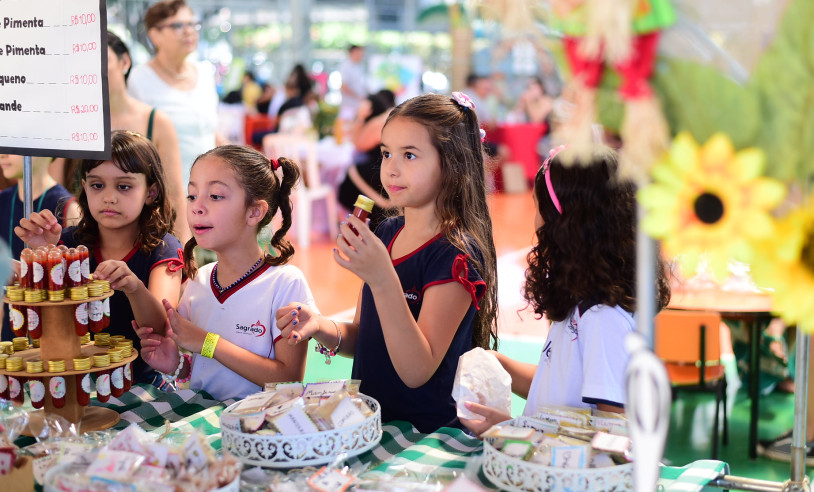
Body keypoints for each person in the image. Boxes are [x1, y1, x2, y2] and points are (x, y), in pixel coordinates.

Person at [276, 92, 499, 433]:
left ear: (451, 164)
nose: (390, 168)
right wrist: (319, 326)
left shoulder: (456, 255)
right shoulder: (388, 232)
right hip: (370, 424)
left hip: (426, 437)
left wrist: (382, 279)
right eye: (385, 153)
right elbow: (364, 336)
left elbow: (416, 370)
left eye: (409, 155)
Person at [458, 145, 671, 436]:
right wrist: (503, 365)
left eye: (537, 208)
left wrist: (514, 432)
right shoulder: (580, 299)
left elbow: (614, 437)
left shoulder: (601, 318)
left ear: (565, 225)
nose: (534, 222)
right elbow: (560, 390)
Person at [134, 145, 316, 401]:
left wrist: (209, 343)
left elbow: (288, 381)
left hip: (258, 427)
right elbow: (196, 371)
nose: (197, 207)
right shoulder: (198, 282)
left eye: (215, 196)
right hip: (203, 421)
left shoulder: (285, 283)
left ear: (254, 211)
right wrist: (174, 363)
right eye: (192, 195)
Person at [15, 131, 183, 384]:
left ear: (151, 192)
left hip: (141, 386)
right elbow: (46, 317)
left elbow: (160, 327)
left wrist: (134, 287)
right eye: (97, 185)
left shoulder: (163, 248)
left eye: (124, 186)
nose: (109, 197)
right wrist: (43, 255)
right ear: (84, 187)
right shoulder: (69, 245)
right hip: (70, 384)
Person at [127, 0, 222, 182]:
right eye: (178, 25)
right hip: (166, 188)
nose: (189, 31)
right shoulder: (140, 79)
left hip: (210, 185)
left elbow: (210, 132)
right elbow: (135, 146)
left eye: (193, 24)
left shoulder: (204, 73)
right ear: (155, 35)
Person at [1, 154, 81, 340]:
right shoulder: (3, 200)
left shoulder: (69, 208)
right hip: (10, 332)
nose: (3, 153)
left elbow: (79, 278)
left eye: (15, 146)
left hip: (57, 332)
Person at [337, 89, 397, 230]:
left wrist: (360, 117)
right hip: (391, 169)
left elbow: (358, 143)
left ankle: (376, 215)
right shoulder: (391, 116)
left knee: (351, 174)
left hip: (384, 171)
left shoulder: (381, 121)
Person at [337, 45, 367, 125]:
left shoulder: (359, 66)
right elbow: (343, 86)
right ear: (352, 52)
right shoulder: (346, 66)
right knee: (346, 127)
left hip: (358, 104)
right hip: (348, 104)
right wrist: (357, 96)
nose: (361, 55)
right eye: (359, 52)